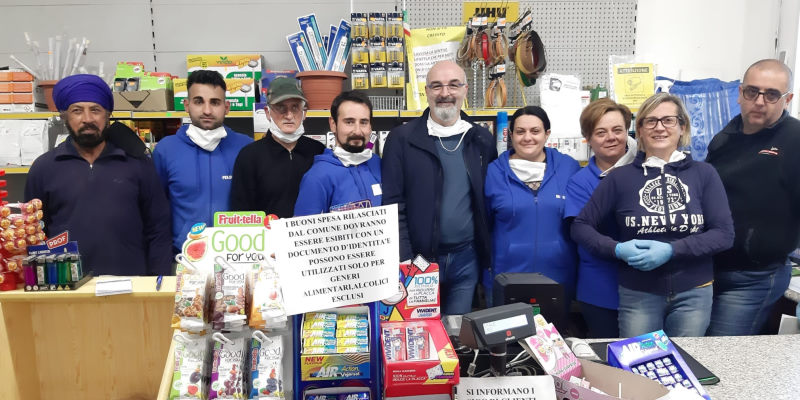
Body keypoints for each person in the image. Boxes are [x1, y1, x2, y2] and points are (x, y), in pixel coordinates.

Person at [571, 93, 734, 337]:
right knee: (638, 368)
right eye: (651, 121)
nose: (659, 127)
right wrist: (616, 249)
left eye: (668, 120)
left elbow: (724, 234)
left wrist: (672, 250)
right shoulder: (620, 177)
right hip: (639, 294)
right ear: (640, 130)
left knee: (684, 366)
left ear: (682, 127)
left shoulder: (704, 174)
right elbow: (580, 227)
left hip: (694, 292)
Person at [24, 74, 172, 276]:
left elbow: (159, 229)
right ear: (64, 115)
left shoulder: (138, 164)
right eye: (77, 111)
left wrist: (159, 284)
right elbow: (33, 235)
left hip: (131, 288)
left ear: (108, 115)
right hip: (65, 289)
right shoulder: (44, 168)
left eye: (95, 110)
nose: (87, 119)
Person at [382, 60, 497, 315]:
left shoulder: (481, 140)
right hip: (418, 261)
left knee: (457, 339)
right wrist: (405, 259)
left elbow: (489, 202)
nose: (445, 93)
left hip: (466, 261)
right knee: (420, 337)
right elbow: (393, 204)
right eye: (436, 86)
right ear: (426, 92)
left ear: (465, 90)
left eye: (454, 85)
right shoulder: (402, 140)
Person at [705, 59, 800, 336]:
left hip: (754, 276)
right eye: (752, 92)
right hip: (710, 270)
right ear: (740, 93)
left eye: (771, 95)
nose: (759, 101)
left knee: (721, 355)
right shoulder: (725, 137)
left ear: (788, 99)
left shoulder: (795, 140)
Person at [483, 106, 580, 307]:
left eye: (535, 131)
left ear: (547, 134)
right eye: (520, 132)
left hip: (558, 278)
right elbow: (484, 224)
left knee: (554, 338)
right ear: (510, 135)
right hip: (507, 278)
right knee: (508, 337)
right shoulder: (493, 172)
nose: (528, 138)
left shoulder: (568, 168)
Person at [153, 70, 251, 254]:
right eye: (199, 101)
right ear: (187, 105)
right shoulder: (166, 150)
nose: (207, 110)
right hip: (183, 258)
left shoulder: (245, 147)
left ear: (227, 107)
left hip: (235, 257)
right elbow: (156, 212)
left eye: (215, 102)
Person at [564, 99, 636, 338]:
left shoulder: (649, 170)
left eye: (618, 130)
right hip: (600, 290)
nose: (611, 137)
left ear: (628, 132)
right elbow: (582, 231)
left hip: (646, 289)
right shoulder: (581, 181)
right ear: (588, 138)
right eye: (601, 132)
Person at [230, 77, 325, 217]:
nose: (289, 115)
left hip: (310, 237)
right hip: (267, 237)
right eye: (281, 108)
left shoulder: (318, 151)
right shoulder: (249, 156)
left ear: (304, 112)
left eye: (295, 107)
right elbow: (241, 214)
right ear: (268, 112)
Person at [294, 91, 381, 216]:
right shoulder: (317, 177)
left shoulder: (380, 165)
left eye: (363, 122)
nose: (357, 131)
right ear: (333, 124)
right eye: (349, 122)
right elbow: (303, 232)